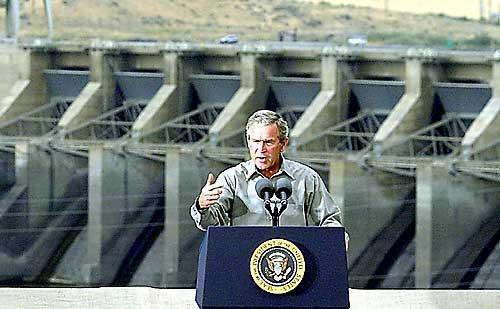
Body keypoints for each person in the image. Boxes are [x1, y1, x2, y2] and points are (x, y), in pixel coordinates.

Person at [190, 110, 347, 239]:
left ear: (283, 144)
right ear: (248, 142)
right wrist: (202, 206)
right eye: (256, 142)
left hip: (295, 266)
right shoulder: (231, 179)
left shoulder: (306, 178)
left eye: (268, 142)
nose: (261, 149)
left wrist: (337, 239)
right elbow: (211, 224)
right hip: (244, 263)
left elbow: (330, 220)